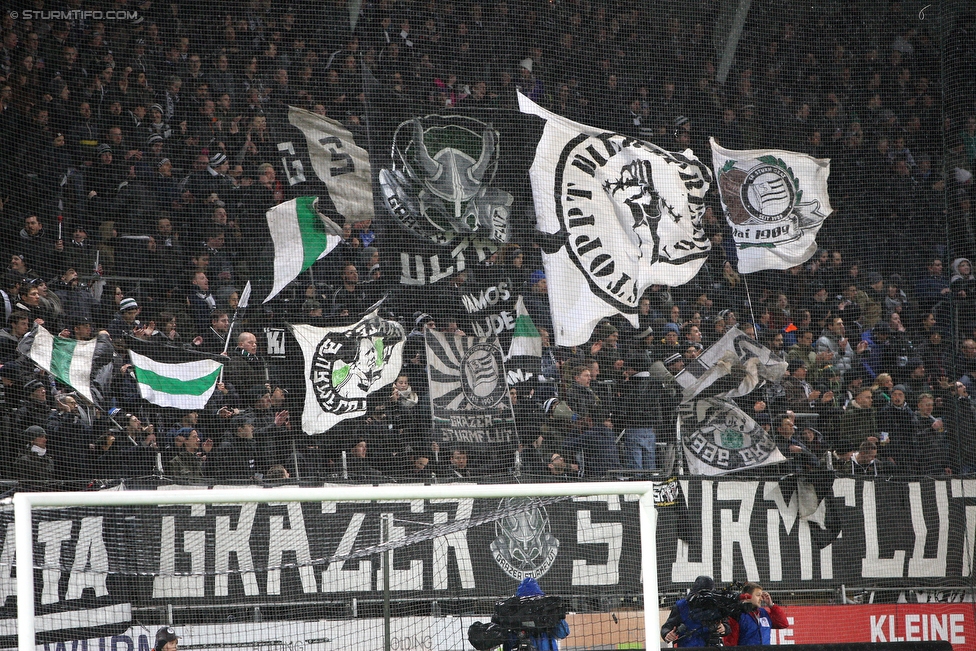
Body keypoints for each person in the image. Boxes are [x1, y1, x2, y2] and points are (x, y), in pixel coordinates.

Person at [501, 577, 569, 651]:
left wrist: (558, 618)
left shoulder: (547, 613)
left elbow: (562, 633)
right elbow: (562, 633)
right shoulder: (512, 617)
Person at [661, 575, 727, 647]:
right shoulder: (682, 606)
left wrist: (724, 628)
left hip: (711, 646)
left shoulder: (717, 605)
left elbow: (727, 624)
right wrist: (667, 634)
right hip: (688, 647)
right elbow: (666, 627)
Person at [722, 583, 788, 646]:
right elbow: (730, 642)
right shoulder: (737, 614)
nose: (761, 599)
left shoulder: (763, 613)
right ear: (747, 596)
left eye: (761, 596)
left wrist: (771, 605)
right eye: (758, 595)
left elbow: (783, 624)